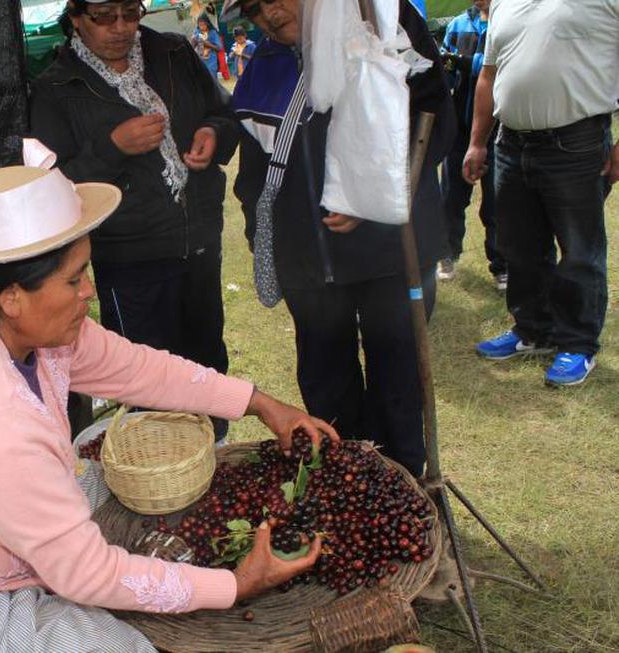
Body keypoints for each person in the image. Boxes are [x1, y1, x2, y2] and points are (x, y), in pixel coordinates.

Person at [0, 162, 339, 651]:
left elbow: (138, 369)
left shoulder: (28, 333)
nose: (90, 292)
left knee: (94, 475)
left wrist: (258, 402)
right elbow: (83, 573)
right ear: (11, 295)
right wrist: (235, 585)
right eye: (74, 279)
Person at [224, 0, 455, 477]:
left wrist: (370, 196)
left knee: (398, 381)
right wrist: (262, 233)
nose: (267, 13)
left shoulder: (382, 18)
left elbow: (435, 123)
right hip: (309, 267)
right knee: (327, 387)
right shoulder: (265, 62)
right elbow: (254, 170)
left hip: (392, 256)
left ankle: (405, 489)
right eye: (252, 7)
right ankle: (347, 487)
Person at [29, 0, 240, 440]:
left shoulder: (174, 54)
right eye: (104, 17)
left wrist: (212, 133)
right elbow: (50, 186)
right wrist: (111, 147)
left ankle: (216, 452)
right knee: (146, 379)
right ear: (76, 17)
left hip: (198, 239)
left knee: (206, 358)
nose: (121, 28)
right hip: (129, 258)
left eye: (130, 13)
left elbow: (222, 111)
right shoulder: (56, 86)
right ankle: (161, 473)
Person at [464, 0, 618, 387]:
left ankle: (578, 343)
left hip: (577, 143)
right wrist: (477, 143)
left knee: (579, 251)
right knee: (518, 245)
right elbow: (488, 75)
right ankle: (533, 330)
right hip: (511, 144)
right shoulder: (503, 2)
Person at [437, 0, 507, 289]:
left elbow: (500, 67)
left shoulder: (506, 21)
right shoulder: (457, 25)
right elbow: (446, 65)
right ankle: (446, 255)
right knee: (451, 197)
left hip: (498, 130)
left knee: (496, 202)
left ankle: (501, 265)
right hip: (460, 129)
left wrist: (464, 62)